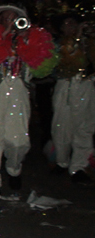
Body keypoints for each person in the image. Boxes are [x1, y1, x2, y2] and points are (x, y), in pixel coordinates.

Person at [0, 4, 57, 197]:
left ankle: (14, 169)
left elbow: (42, 65)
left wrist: (26, 40)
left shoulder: (32, 39)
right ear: (0, 21)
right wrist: (2, 37)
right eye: (5, 18)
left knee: (18, 141)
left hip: (19, 93)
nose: (10, 21)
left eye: (14, 18)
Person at [49, 13, 95, 184]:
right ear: (61, 28)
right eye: (67, 23)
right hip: (65, 86)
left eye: (74, 23)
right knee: (60, 126)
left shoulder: (88, 42)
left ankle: (79, 167)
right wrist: (75, 39)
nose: (72, 26)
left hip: (85, 85)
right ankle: (61, 161)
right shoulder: (56, 44)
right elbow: (65, 59)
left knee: (84, 127)